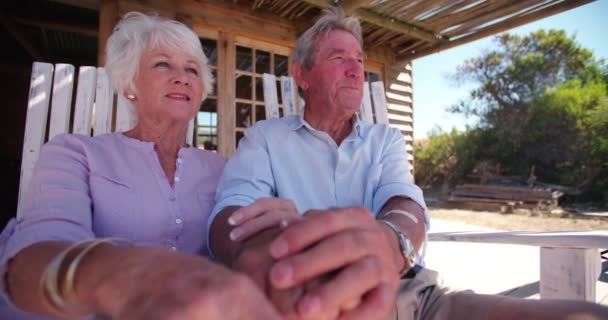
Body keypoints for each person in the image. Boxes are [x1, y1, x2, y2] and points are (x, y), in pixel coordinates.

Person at [208, 7, 608, 320]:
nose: (355, 69)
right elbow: (230, 213)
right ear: (302, 74)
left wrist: (391, 242)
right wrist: (268, 251)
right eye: (337, 57)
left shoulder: (385, 140)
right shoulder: (267, 138)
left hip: (404, 296)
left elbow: (404, 202)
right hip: (295, 297)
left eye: (359, 59)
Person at [0, 12, 281, 320]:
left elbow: (246, 237)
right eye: (163, 64)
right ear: (129, 84)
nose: (182, 76)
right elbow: (41, 248)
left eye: (192, 69)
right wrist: (118, 279)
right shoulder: (76, 153)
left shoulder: (224, 169)